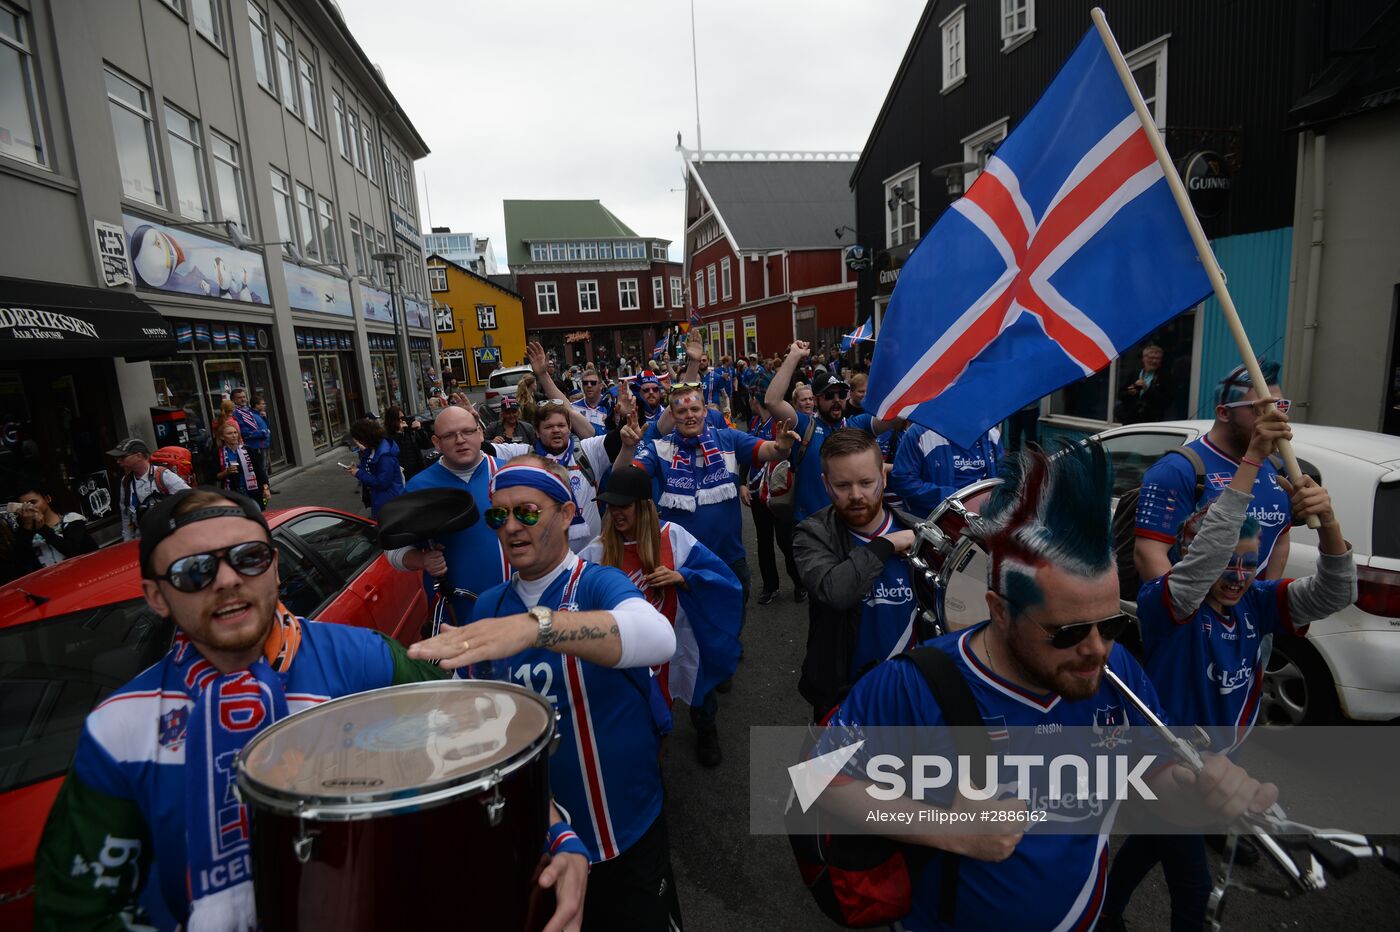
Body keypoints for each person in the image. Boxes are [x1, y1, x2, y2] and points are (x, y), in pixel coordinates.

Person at [32, 487, 589, 931]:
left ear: (274, 568)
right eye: (194, 571)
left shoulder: (365, 660)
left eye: (249, 558)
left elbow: (484, 748)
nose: (228, 580)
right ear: (157, 596)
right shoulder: (121, 728)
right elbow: (79, 911)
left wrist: (557, 835)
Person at [815, 443, 1281, 930]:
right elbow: (820, 782)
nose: (1097, 649)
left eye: (1111, 624)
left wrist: (1195, 791)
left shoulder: (1117, 671)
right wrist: (950, 829)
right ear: (999, 611)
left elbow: (1147, 775)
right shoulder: (912, 685)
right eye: (1069, 632)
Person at [1101, 401, 1355, 930]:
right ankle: (1109, 910)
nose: (1237, 575)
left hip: (1215, 762)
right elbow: (1206, 559)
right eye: (1225, 564)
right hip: (1169, 762)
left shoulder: (1257, 602)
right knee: (1194, 891)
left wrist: (1327, 519)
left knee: (1148, 843)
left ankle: (1105, 910)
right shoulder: (1171, 606)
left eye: (1247, 564)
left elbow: (1335, 590)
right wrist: (1253, 459)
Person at [408, 458, 679, 931]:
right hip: (541, 840)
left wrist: (537, 627)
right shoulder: (490, 606)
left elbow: (657, 636)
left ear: (567, 513)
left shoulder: (598, 582)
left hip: (623, 832)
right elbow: (468, 713)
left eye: (527, 512)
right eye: (499, 516)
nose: (511, 527)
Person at [621, 382, 800, 764]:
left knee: (730, 619)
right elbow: (625, 481)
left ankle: (721, 658)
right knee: (692, 645)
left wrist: (781, 447)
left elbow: (767, 450)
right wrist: (627, 448)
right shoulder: (659, 448)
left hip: (730, 561)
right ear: (672, 413)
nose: (688, 416)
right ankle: (705, 726)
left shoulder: (728, 438)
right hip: (679, 565)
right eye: (680, 410)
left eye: (695, 410)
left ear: (706, 411)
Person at [581, 465, 743, 754]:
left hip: (680, 635)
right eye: (610, 505)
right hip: (629, 648)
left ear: (643, 506)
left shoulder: (673, 535)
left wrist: (683, 577)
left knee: (696, 683)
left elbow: (725, 582)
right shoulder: (598, 550)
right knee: (641, 707)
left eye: (624, 505)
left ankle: (706, 728)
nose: (616, 512)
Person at [792, 429, 924, 721]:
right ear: (826, 484)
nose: (855, 495)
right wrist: (886, 545)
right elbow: (834, 592)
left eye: (867, 483)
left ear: (884, 478)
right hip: (844, 698)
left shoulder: (920, 533)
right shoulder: (813, 534)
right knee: (830, 768)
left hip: (913, 694)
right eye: (842, 485)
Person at [1135, 361, 1294, 583]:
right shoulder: (1177, 469)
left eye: (1280, 407)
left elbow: (1279, 540)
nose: (1276, 417)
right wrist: (1184, 613)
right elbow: (1148, 554)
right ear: (1224, 413)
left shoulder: (1276, 467)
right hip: (1194, 611)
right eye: (1262, 408)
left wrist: (1265, 604)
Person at [765, 341, 898, 524]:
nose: (836, 400)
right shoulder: (805, 425)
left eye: (841, 395)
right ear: (817, 400)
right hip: (811, 527)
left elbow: (896, 417)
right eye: (829, 395)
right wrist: (794, 356)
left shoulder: (856, 425)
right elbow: (772, 401)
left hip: (851, 526)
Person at [745, 391, 802, 605]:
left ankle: (799, 583)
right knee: (764, 541)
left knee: (785, 540)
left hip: (778, 491)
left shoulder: (780, 423)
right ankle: (770, 587)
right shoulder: (754, 422)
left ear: (754, 400)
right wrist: (742, 483)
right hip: (756, 491)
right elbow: (746, 454)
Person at [889, 423, 1003, 518]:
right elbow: (903, 480)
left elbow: (1004, 477)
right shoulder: (919, 433)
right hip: (936, 521)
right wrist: (953, 498)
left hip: (986, 517)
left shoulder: (991, 434)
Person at [111, 437, 190, 540]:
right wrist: (127, 541)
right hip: (143, 538)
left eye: (123, 457)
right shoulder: (125, 482)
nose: (118, 461)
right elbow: (126, 515)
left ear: (138, 455)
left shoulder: (162, 475)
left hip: (169, 536)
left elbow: (190, 496)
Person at [8, 483, 97, 568]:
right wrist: (27, 526)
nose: (29, 508)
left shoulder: (71, 519)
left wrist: (43, 529)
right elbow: (21, 562)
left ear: (47, 499)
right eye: (24, 506)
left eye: (33, 502)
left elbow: (74, 550)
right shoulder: (24, 531)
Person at [349, 417, 404, 520]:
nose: (358, 443)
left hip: (389, 503)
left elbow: (382, 482)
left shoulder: (385, 456)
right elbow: (372, 467)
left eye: (359, 440)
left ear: (366, 438)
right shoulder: (373, 449)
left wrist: (358, 473)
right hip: (382, 500)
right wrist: (358, 468)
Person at [1116, 344, 1171, 425]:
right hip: (1130, 420)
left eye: (1158, 358)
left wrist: (1147, 389)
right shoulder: (1134, 373)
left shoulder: (1164, 377)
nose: (1154, 361)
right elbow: (1120, 395)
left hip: (1151, 422)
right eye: (1151, 358)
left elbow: (1166, 402)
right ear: (1144, 359)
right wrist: (1130, 391)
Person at [214, 420, 264, 507]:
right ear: (222, 437)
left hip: (252, 491)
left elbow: (259, 471)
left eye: (235, 432)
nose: (234, 436)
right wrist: (226, 472)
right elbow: (213, 476)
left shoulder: (247, 449)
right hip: (232, 492)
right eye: (229, 434)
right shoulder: (218, 453)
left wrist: (266, 488)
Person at [229, 387, 271, 487]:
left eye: (244, 397)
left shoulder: (249, 410)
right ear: (233, 400)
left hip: (262, 443)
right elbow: (243, 431)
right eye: (239, 398)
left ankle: (265, 486)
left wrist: (264, 417)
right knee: (259, 468)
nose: (243, 399)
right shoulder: (236, 413)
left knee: (264, 466)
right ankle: (262, 487)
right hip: (254, 445)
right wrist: (262, 433)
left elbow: (263, 424)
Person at [384, 405, 428, 479]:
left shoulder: (410, 432)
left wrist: (420, 430)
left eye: (403, 418)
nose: (402, 421)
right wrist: (399, 434)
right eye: (398, 419)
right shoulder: (387, 436)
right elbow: (391, 451)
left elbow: (426, 445)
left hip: (418, 470)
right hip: (401, 473)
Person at [574, 367, 612, 435]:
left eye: (593, 383)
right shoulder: (573, 408)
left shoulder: (610, 406)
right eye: (585, 383)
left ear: (601, 386)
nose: (589, 385)